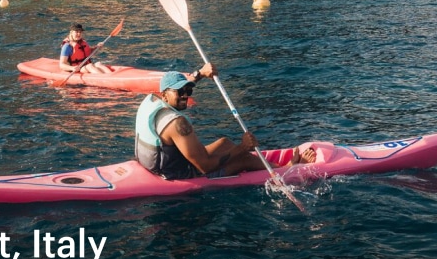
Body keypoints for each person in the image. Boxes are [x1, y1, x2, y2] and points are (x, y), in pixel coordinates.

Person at [135, 65, 315, 179]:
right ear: (164, 94)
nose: (184, 96)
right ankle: (288, 170)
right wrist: (243, 148)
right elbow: (204, 167)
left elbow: (182, 85)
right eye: (179, 92)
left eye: (187, 91)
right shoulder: (178, 124)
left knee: (224, 142)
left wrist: (201, 74)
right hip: (177, 174)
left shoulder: (152, 101)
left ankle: (278, 166)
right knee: (242, 159)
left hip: (155, 164)